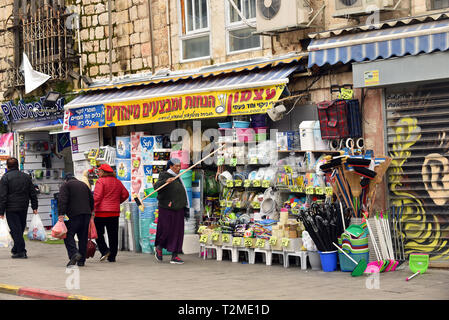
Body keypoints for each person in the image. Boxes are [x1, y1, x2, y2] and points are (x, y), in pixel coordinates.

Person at [0, 157, 38, 259]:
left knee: (15, 229)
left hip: (11, 207)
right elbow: (33, 193)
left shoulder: (5, 178)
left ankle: (21, 251)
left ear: (7, 167)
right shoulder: (26, 177)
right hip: (23, 206)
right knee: (19, 228)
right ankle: (16, 249)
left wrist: (1, 211)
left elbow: (3, 196)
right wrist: (35, 206)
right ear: (17, 165)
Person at [153, 158, 189, 264]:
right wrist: (165, 181)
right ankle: (159, 248)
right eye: (176, 166)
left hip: (179, 208)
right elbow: (156, 187)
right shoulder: (165, 175)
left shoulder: (178, 177)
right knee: (166, 229)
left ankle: (175, 255)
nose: (179, 168)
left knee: (177, 232)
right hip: (167, 207)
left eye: (179, 166)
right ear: (171, 166)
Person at [93, 163, 129, 262]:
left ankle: (104, 250)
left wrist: (92, 207)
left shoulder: (100, 181)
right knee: (113, 235)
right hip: (114, 212)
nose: (98, 173)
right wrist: (117, 202)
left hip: (101, 212)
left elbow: (97, 197)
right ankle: (112, 257)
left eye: (99, 171)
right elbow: (125, 194)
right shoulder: (118, 182)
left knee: (98, 233)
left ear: (103, 172)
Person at [58, 173, 94, 267]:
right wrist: (90, 211)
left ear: (66, 180)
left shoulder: (65, 185)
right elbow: (91, 200)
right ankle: (81, 261)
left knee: (68, 235)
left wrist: (61, 214)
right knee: (83, 238)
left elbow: (62, 200)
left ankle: (74, 254)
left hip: (73, 215)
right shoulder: (84, 185)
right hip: (86, 214)